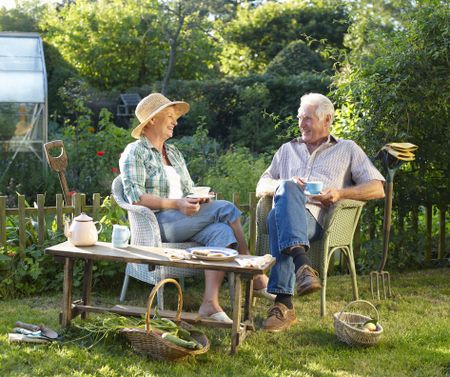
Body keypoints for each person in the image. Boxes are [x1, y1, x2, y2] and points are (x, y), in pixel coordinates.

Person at [119, 93, 273, 323]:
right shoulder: (135, 151)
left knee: (223, 232)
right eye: (170, 116)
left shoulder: (173, 153)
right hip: (157, 224)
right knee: (228, 209)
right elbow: (136, 197)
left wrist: (199, 200)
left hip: (185, 219)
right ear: (151, 120)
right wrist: (176, 204)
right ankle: (253, 270)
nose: (175, 121)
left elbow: (188, 189)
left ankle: (209, 304)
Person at [256, 93, 385, 332]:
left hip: (316, 220)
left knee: (277, 219)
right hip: (285, 218)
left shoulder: (347, 149)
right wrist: (285, 185)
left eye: (308, 119)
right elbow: (261, 185)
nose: (301, 124)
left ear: (327, 120)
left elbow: (377, 187)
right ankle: (302, 265)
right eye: (299, 117)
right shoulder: (287, 150)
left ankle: (284, 303)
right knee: (280, 208)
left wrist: (340, 193)